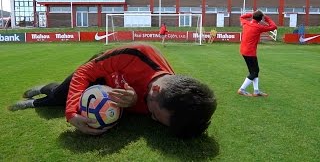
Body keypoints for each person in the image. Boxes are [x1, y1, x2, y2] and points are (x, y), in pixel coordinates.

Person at [9, 43, 217, 138]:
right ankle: (38, 97)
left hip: (108, 90)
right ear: (154, 90)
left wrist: (133, 101)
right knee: (59, 97)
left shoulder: (172, 98)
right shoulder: (138, 53)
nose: (149, 117)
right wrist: (71, 114)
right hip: (99, 71)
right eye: (153, 114)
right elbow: (85, 73)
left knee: (67, 99)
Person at [237, 10, 277, 97]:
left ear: (253, 17)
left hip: (244, 50)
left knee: (254, 71)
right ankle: (242, 89)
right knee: (254, 72)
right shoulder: (258, 27)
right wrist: (266, 17)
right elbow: (274, 26)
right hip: (250, 52)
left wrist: (252, 14)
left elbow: (242, 17)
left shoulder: (246, 23)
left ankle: (256, 91)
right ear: (260, 19)